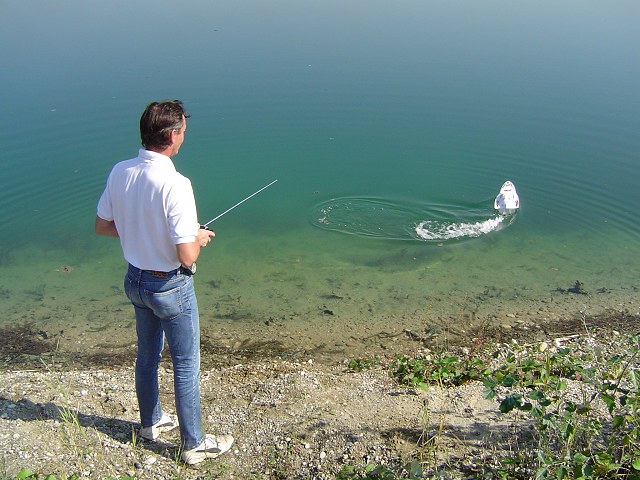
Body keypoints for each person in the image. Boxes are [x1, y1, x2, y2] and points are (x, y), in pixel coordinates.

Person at [95, 100, 234, 465]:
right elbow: (186, 256)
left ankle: (150, 422)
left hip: (135, 281)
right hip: (170, 287)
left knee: (147, 355)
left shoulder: (120, 171)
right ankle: (193, 445)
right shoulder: (176, 183)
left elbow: (104, 225)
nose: (184, 137)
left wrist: (142, 233)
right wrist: (198, 238)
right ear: (172, 136)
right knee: (186, 363)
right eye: (183, 132)